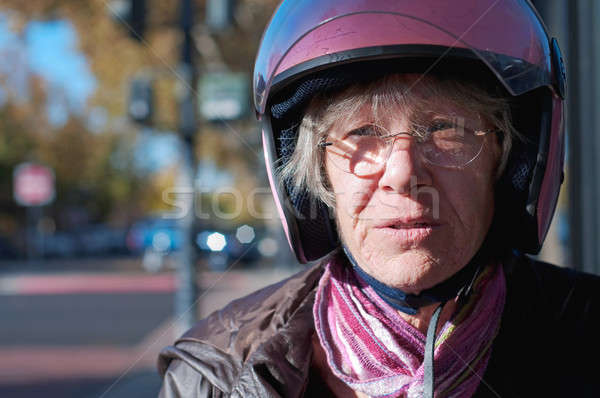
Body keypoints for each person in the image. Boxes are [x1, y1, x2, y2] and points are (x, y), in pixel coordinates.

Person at [158, 1, 600, 397]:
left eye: (447, 129)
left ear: (510, 165)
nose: (404, 174)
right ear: (317, 173)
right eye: (362, 134)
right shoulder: (212, 376)